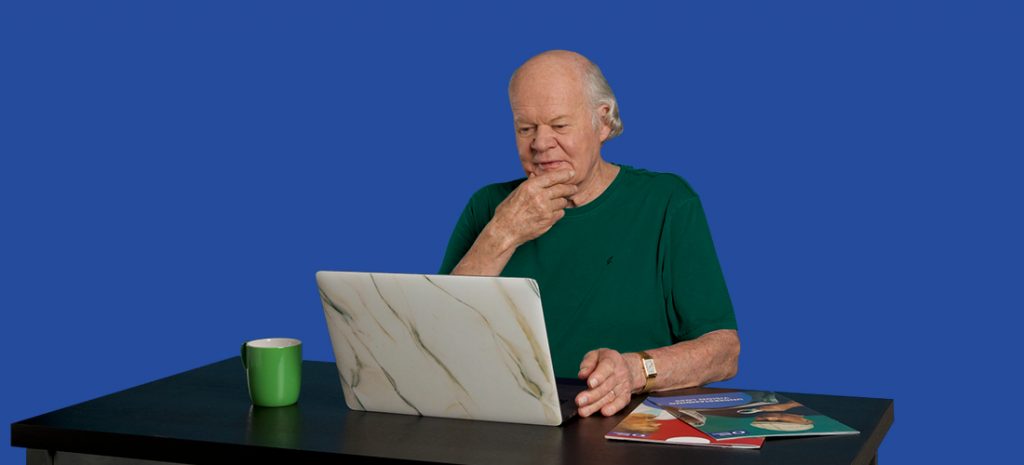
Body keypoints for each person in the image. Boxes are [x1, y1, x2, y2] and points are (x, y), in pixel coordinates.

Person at [439, 50, 740, 417]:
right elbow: (438, 338)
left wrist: (634, 370)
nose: (540, 143)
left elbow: (724, 352)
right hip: (503, 421)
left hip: (627, 426)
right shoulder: (489, 206)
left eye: (559, 125)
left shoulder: (668, 202)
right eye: (525, 128)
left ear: (603, 123)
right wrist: (503, 233)